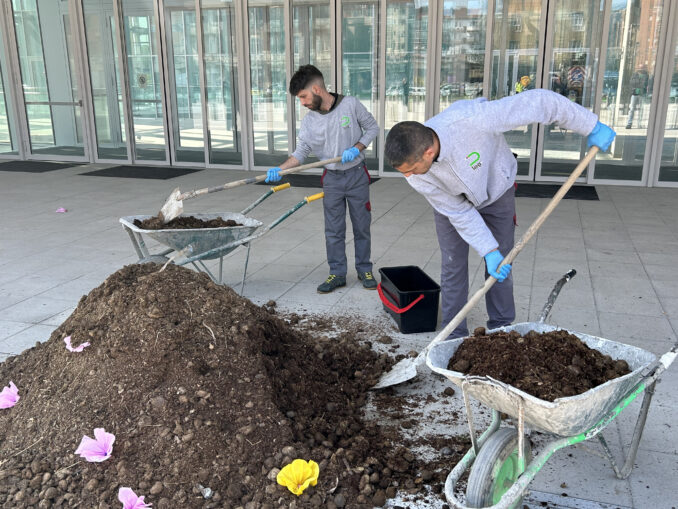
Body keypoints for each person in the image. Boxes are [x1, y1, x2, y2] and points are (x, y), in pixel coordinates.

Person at [383, 89, 615, 338]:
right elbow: (459, 212)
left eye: (411, 169)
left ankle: (502, 329)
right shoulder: (417, 177)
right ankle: (453, 333)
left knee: (502, 264)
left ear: (428, 152)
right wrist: (487, 249)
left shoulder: (473, 120)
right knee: (453, 266)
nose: (408, 177)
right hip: (454, 205)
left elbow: (541, 102)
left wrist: (589, 124)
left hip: (497, 193)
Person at [265, 65, 379, 294]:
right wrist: (281, 169)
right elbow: (301, 153)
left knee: (362, 226)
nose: (303, 103)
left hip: (356, 175)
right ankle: (337, 273)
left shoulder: (351, 105)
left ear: (317, 89)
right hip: (332, 179)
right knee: (333, 230)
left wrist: (357, 148)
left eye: (304, 97)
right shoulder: (309, 122)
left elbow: (372, 128)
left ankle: (364, 269)